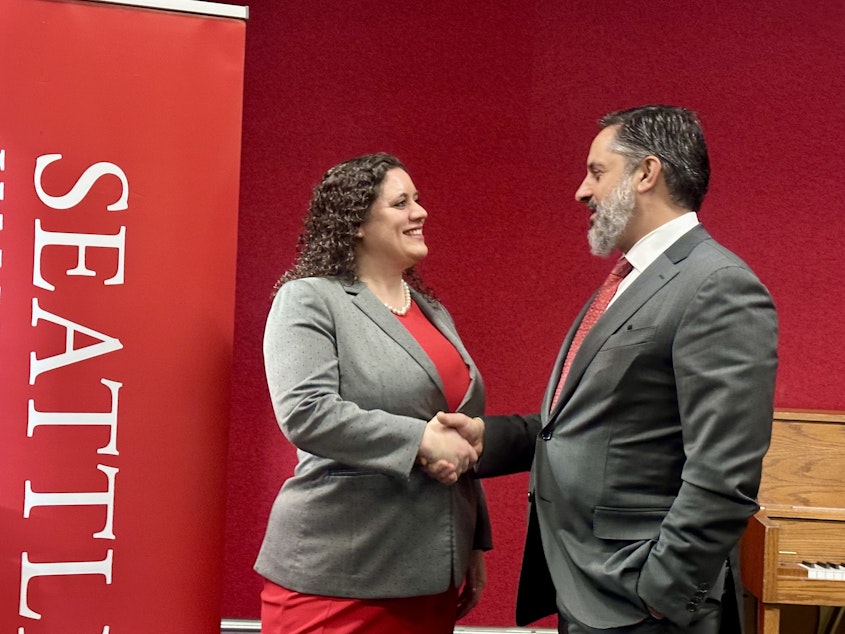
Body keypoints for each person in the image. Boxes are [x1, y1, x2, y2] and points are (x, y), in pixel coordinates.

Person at [433, 105, 778, 633]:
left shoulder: (718, 285)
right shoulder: (633, 278)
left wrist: (659, 594)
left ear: (646, 173)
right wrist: (485, 438)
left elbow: (724, 474)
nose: (581, 191)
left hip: (642, 605)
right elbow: (582, 424)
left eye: (597, 171)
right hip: (589, 590)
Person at [255, 152, 490, 634]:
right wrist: (421, 440)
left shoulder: (432, 312)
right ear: (357, 222)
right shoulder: (309, 297)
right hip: (340, 575)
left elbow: (455, 431)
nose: (420, 212)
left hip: (431, 575)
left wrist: (470, 541)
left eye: (418, 200)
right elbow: (306, 412)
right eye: (401, 203)